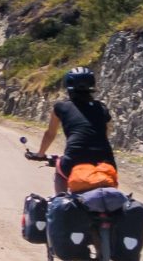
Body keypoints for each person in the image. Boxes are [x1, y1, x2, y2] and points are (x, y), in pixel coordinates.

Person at [36, 66, 116, 195]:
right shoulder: (102, 108)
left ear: (68, 86)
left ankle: (60, 200)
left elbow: (50, 134)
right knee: (108, 186)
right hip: (106, 162)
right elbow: (106, 134)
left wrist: (40, 154)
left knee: (60, 168)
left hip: (73, 160)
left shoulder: (61, 107)